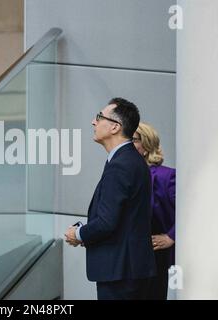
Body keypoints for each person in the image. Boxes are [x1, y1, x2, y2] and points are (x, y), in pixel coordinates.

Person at [65, 97, 156, 300]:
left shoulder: (121, 164)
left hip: (121, 272)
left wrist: (78, 234)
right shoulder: (129, 159)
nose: (93, 122)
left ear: (115, 127)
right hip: (128, 270)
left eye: (99, 117)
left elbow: (107, 222)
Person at [133, 122, 175, 300]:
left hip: (154, 256)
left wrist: (171, 236)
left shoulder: (167, 176)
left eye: (133, 140)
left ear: (147, 145)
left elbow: (192, 213)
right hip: (127, 257)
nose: (127, 145)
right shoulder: (123, 174)